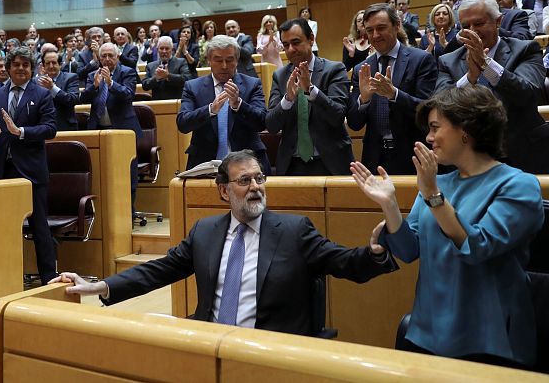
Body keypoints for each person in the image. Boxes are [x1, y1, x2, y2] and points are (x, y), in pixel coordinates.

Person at [52, 150, 396, 334]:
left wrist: (375, 253)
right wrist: (98, 287)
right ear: (223, 190)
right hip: (210, 344)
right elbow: (159, 270)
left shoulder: (294, 231)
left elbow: (346, 263)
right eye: (244, 180)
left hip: (269, 353)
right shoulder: (205, 232)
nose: (256, 187)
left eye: (259, 178)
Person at [351, 86, 543, 368]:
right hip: (426, 333)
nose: (428, 138)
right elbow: (408, 250)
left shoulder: (518, 186)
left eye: (435, 127)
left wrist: (432, 195)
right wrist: (390, 204)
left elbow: (477, 247)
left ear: (466, 129)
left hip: (489, 339)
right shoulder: (437, 184)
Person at [435, 0, 549, 174]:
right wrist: (470, 78)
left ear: (498, 21)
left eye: (479, 24)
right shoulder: (447, 61)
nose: (472, 30)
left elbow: (529, 93)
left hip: (520, 153)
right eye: (466, 26)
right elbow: (439, 107)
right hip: (467, 158)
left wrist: (486, 65)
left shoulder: (525, 49)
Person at [0, 47, 58, 284]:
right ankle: (8, 277)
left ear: (32, 68)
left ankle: (49, 279)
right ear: (8, 68)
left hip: (32, 172)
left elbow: (50, 129)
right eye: (17, 64)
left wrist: (20, 131)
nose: (21, 68)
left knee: (39, 228)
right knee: (5, 228)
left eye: (26, 64)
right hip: (4, 170)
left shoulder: (42, 94)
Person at [347, 3, 437, 175]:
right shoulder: (361, 69)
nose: (375, 35)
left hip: (413, 154)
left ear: (397, 26)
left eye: (381, 28)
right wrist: (363, 100)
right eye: (370, 30)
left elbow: (429, 111)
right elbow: (354, 123)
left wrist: (394, 94)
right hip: (375, 158)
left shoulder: (421, 60)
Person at [266, 19, 353, 176]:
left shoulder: (333, 70)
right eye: (286, 45)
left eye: (296, 42)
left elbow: (338, 116)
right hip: (291, 165)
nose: (291, 49)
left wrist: (311, 91)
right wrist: (287, 99)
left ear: (311, 39)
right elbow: (271, 125)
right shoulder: (280, 76)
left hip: (330, 163)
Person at [177, 35, 269, 172]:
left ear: (237, 60)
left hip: (248, 163)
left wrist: (238, 104)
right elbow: (183, 123)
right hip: (204, 164)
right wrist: (210, 110)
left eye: (229, 60)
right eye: (218, 60)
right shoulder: (192, 87)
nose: (224, 66)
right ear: (209, 60)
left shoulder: (252, 84)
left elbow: (262, 122)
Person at [80, 42, 143, 205]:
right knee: (102, 174)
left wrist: (111, 83)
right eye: (103, 56)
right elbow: (84, 99)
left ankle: (129, 212)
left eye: (111, 56)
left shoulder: (127, 72)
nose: (107, 59)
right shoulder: (92, 74)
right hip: (98, 130)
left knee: (127, 174)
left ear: (117, 57)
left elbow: (129, 95)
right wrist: (94, 86)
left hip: (123, 131)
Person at [35, 49, 79, 131]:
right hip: (42, 128)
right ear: (43, 66)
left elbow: (73, 100)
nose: (51, 66)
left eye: (54, 63)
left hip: (65, 127)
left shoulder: (71, 78)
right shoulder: (36, 81)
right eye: (48, 63)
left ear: (60, 65)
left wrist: (52, 88)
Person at [142, 36, 193, 100]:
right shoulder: (150, 65)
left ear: (172, 49)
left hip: (177, 103)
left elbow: (187, 79)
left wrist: (168, 76)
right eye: (161, 48)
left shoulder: (181, 62)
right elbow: (144, 85)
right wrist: (156, 78)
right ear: (157, 49)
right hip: (157, 103)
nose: (164, 51)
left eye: (167, 48)